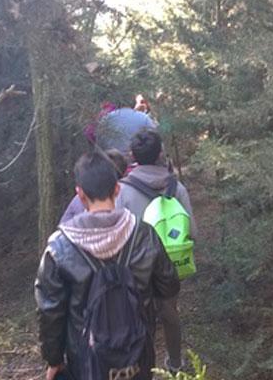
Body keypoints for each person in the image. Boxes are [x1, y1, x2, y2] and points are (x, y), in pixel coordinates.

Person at [35, 152, 179, 380]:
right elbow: (169, 286)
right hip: (138, 353)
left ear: (80, 194)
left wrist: (53, 360)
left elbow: (50, 311)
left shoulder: (59, 247)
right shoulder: (145, 235)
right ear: (117, 189)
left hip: (85, 361)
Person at [118, 129, 197, 373]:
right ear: (161, 153)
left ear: (132, 156)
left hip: (135, 266)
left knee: (139, 317)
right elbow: (192, 232)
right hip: (170, 263)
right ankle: (175, 364)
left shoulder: (122, 191)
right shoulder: (176, 187)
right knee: (169, 312)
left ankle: (142, 367)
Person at [59, 148, 127, 224]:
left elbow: (63, 223)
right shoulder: (132, 225)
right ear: (117, 188)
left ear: (80, 193)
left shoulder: (66, 230)